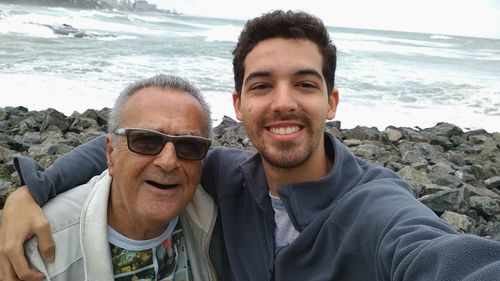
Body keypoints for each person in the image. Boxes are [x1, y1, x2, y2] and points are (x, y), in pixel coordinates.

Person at [2, 10, 500, 281]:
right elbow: (137, 143)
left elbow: (435, 256)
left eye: (305, 85)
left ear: (332, 101)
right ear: (239, 105)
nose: (282, 103)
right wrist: (32, 189)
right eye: (262, 86)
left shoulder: (378, 207)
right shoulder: (224, 173)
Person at [0, 74, 220, 280]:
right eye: (146, 141)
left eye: (189, 146)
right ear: (110, 153)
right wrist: (31, 189)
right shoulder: (40, 247)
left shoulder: (217, 213)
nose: (168, 161)